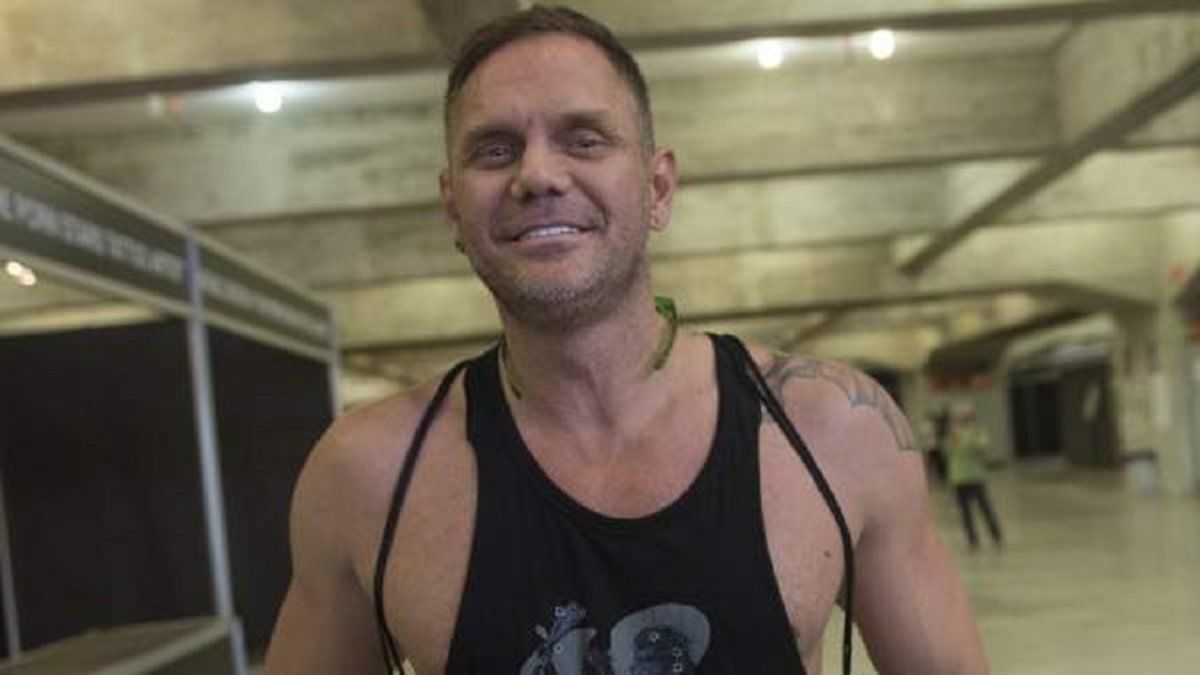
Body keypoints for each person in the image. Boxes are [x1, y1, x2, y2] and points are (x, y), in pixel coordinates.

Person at [265, 6, 988, 674]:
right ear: (453, 206)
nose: (537, 175)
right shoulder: (368, 476)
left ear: (658, 188)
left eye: (584, 138)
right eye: (494, 150)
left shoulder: (833, 430)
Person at [945, 402, 1004, 551]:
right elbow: (947, 452)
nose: (961, 418)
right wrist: (953, 439)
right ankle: (972, 540)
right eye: (958, 416)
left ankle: (996, 536)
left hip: (975, 476)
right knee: (965, 512)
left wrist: (966, 440)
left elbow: (982, 447)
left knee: (985, 508)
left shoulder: (977, 431)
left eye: (964, 415)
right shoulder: (953, 433)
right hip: (958, 477)